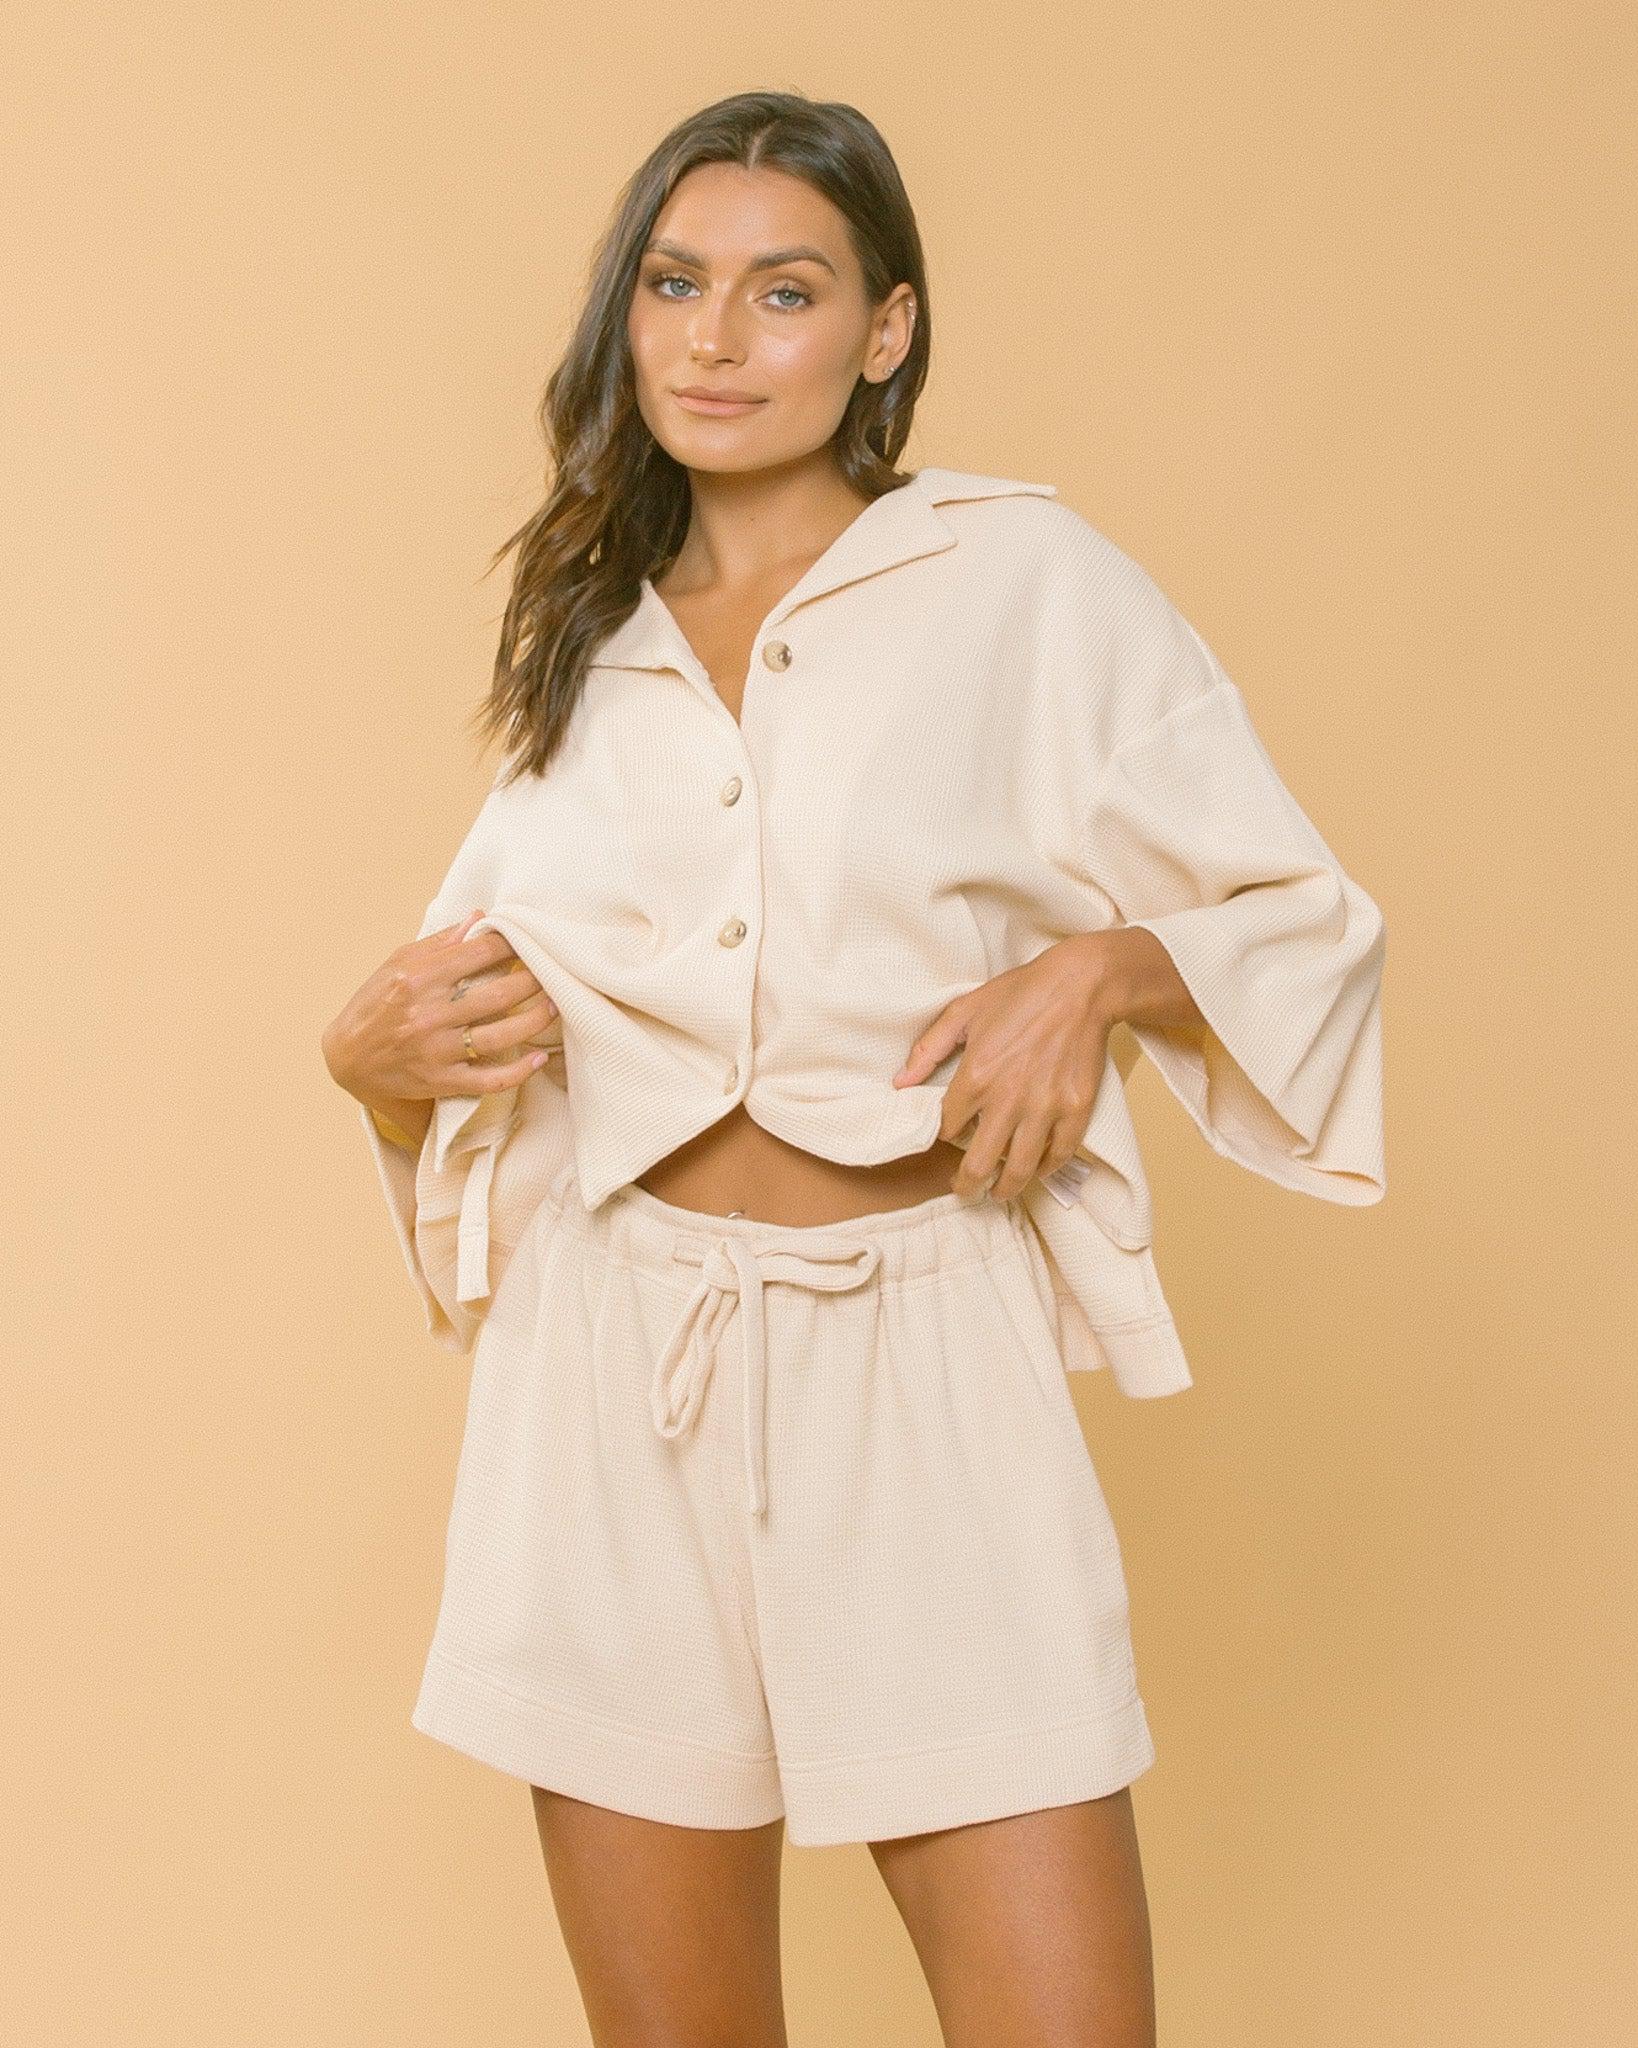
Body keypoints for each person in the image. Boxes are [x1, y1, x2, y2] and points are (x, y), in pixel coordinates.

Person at [321, 89, 1385, 2048]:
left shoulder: (1022, 580)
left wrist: (1101, 971)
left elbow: (1305, 920)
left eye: (784, 291)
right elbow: (487, 1022)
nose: (715, 342)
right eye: (674, 285)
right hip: (610, 1376)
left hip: (926, 1352)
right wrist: (369, 1067)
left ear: (885, 329)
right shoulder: (585, 632)